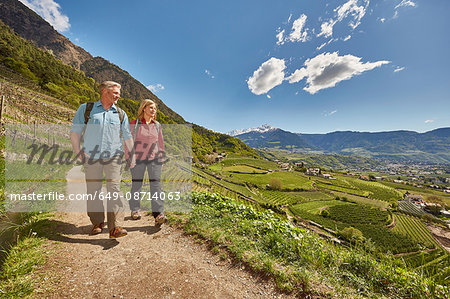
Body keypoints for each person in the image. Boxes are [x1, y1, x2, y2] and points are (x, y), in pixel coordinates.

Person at [70, 81, 136, 238]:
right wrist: (78, 151)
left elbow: (127, 136)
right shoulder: (87, 109)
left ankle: (116, 227)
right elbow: (75, 131)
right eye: (115, 92)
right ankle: (97, 222)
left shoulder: (120, 114)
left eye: (119, 92)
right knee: (94, 190)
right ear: (104, 92)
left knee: (114, 189)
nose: (118, 95)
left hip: (114, 157)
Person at [128, 99, 167, 226]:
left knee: (156, 186)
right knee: (137, 185)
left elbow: (160, 143)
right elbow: (128, 142)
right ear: (143, 108)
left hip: (154, 158)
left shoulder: (157, 125)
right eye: (151, 107)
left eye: (155, 108)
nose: (153, 110)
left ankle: (159, 214)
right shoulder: (134, 124)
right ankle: (135, 210)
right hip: (138, 158)